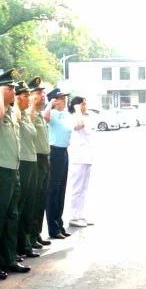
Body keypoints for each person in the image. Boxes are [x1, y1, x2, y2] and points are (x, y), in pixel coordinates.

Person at [0, 69, 30, 280]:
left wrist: (9, 100)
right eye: (9, 89)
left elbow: (15, 113)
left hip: (12, 169)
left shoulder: (11, 111)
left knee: (11, 216)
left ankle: (8, 258)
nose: (14, 92)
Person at [12, 81, 38, 259]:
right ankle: (15, 247)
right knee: (18, 207)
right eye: (25, 95)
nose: (28, 99)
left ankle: (25, 243)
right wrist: (15, 103)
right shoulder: (16, 113)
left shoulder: (26, 115)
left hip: (31, 160)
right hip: (21, 161)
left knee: (29, 206)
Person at [43, 87, 71, 240]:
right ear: (54, 100)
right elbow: (45, 117)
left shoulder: (63, 114)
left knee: (61, 190)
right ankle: (53, 228)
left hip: (64, 152)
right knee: (53, 191)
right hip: (54, 152)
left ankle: (59, 223)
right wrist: (50, 104)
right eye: (61, 98)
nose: (64, 100)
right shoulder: (52, 113)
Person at [26, 78, 50, 249]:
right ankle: (29, 236)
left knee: (41, 198)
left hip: (44, 159)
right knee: (33, 200)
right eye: (39, 93)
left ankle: (36, 233)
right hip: (34, 158)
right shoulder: (30, 112)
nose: (43, 96)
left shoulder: (40, 113)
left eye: (43, 93)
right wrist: (33, 105)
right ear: (31, 95)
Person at [66, 96, 94, 227]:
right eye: (82, 104)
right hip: (77, 157)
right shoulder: (72, 117)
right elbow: (79, 125)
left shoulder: (84, 117)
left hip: (87, 157)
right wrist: (77, 109)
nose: (85, 106)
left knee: (83, 188)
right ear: (76, 105)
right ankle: (73, 216)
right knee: (77, 188)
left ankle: (80, 215)